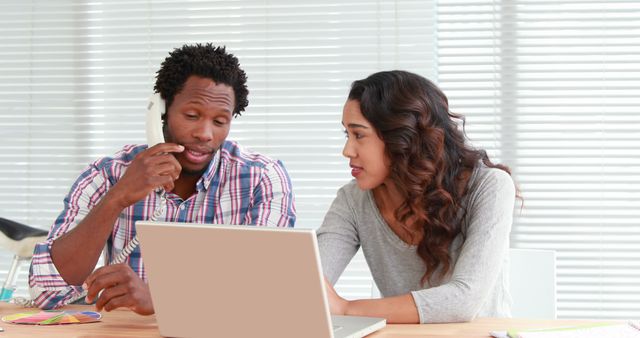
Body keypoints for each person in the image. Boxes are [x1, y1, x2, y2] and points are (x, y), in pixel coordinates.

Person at [29, 43, 296, 314]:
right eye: (192, 116)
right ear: (161, 111)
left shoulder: (261, 178)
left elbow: (269, 295)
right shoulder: (109, 174)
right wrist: (117, 198)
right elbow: (46, 291)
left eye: (219, 121)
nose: (205, 133)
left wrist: (161, 300)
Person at [318, 70, 516, 324]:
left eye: (359, 135)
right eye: (347, 134)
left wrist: (347, 309)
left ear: (402, 136)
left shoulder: (489, 186)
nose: (347, 150)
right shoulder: (353, 200)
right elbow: (312, 282)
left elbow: (463, 301)